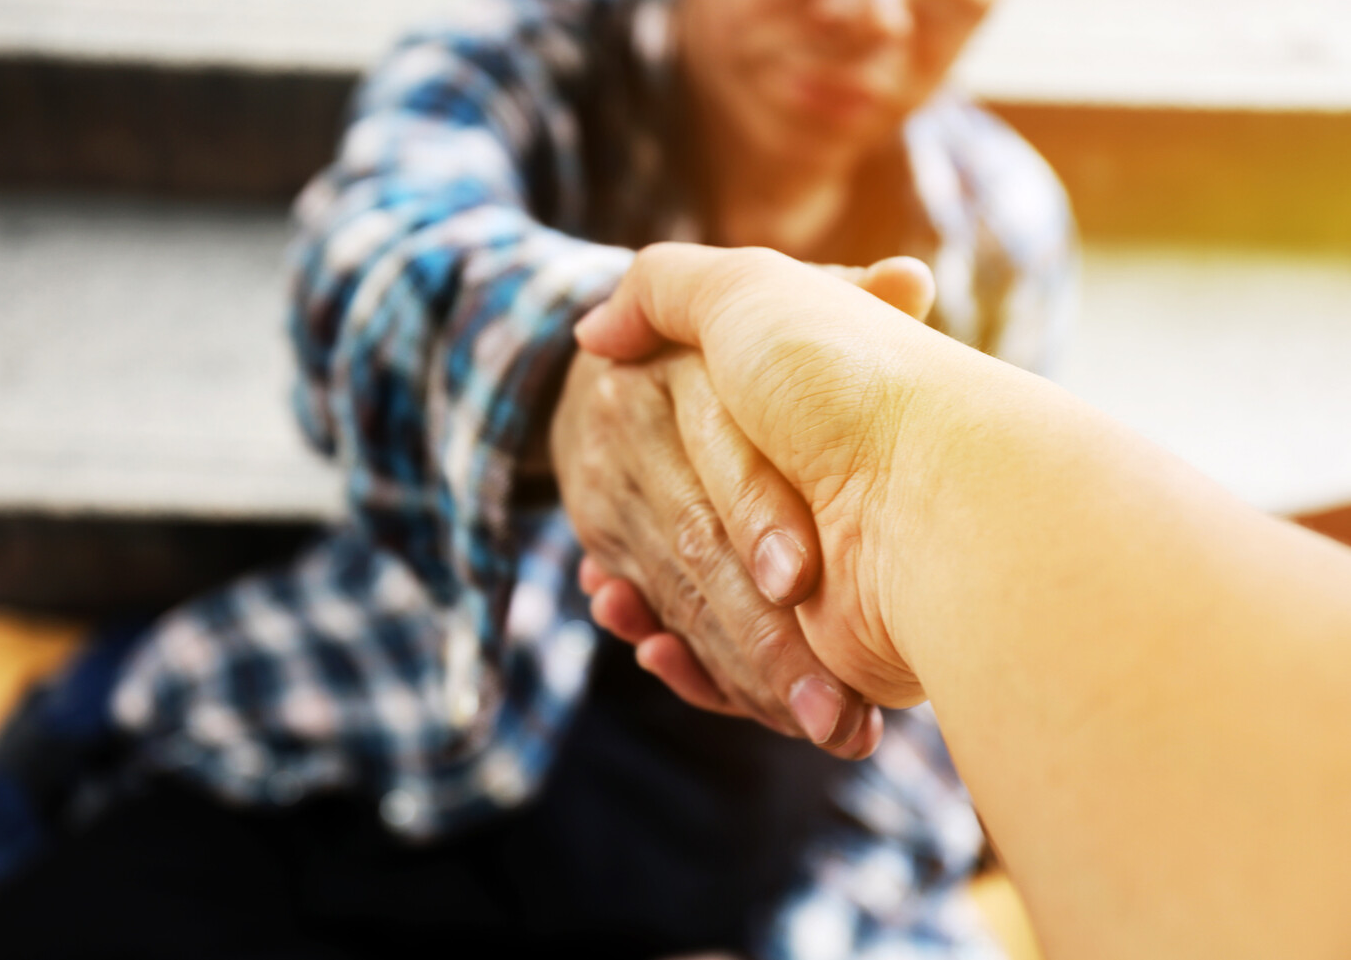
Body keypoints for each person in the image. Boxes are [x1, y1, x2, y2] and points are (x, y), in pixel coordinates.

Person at [0, 0, 1074, 958]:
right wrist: (578, 370)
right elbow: (371, 261)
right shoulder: (520, 63)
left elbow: (940, 667)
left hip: (730, 816)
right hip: (412, 727)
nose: (865, 7)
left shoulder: (998, 223)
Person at [574, 243, 1351, 959]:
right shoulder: (530, 105)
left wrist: (883, 465)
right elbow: (457, 253)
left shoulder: (1003, 219)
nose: (861, 79)